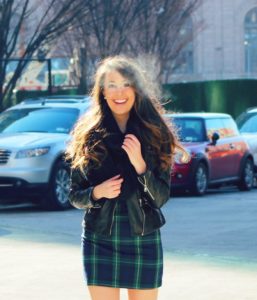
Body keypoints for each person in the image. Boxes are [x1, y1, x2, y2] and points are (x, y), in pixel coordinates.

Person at [65, 56, 184, 300]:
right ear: (102, 91)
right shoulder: (88, 135)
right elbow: (75, 196)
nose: (119, 92)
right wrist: (97, 192)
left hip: (142, 237)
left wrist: (140, 165)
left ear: (136, 89)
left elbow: (160, 198)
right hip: (100, 238)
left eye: (126, 83)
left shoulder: (155, 133)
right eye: (112, 84)